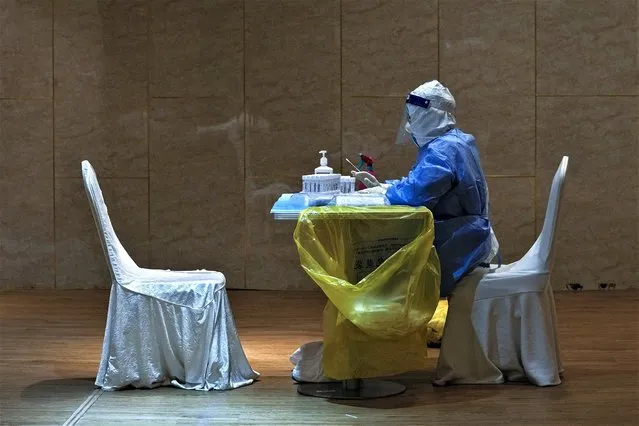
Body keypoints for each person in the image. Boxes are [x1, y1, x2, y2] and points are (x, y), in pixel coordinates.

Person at [352, 80, 499, 297]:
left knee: (377, 270)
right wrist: (385, 186)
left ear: (431, 116)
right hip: (470, 239)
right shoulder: (457, 142)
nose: (409, 125)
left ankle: (389, 328)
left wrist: (387, 193)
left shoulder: (443, 151)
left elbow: (414, 196)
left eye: (414, 117)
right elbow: (421, 183)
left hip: (458, 246)